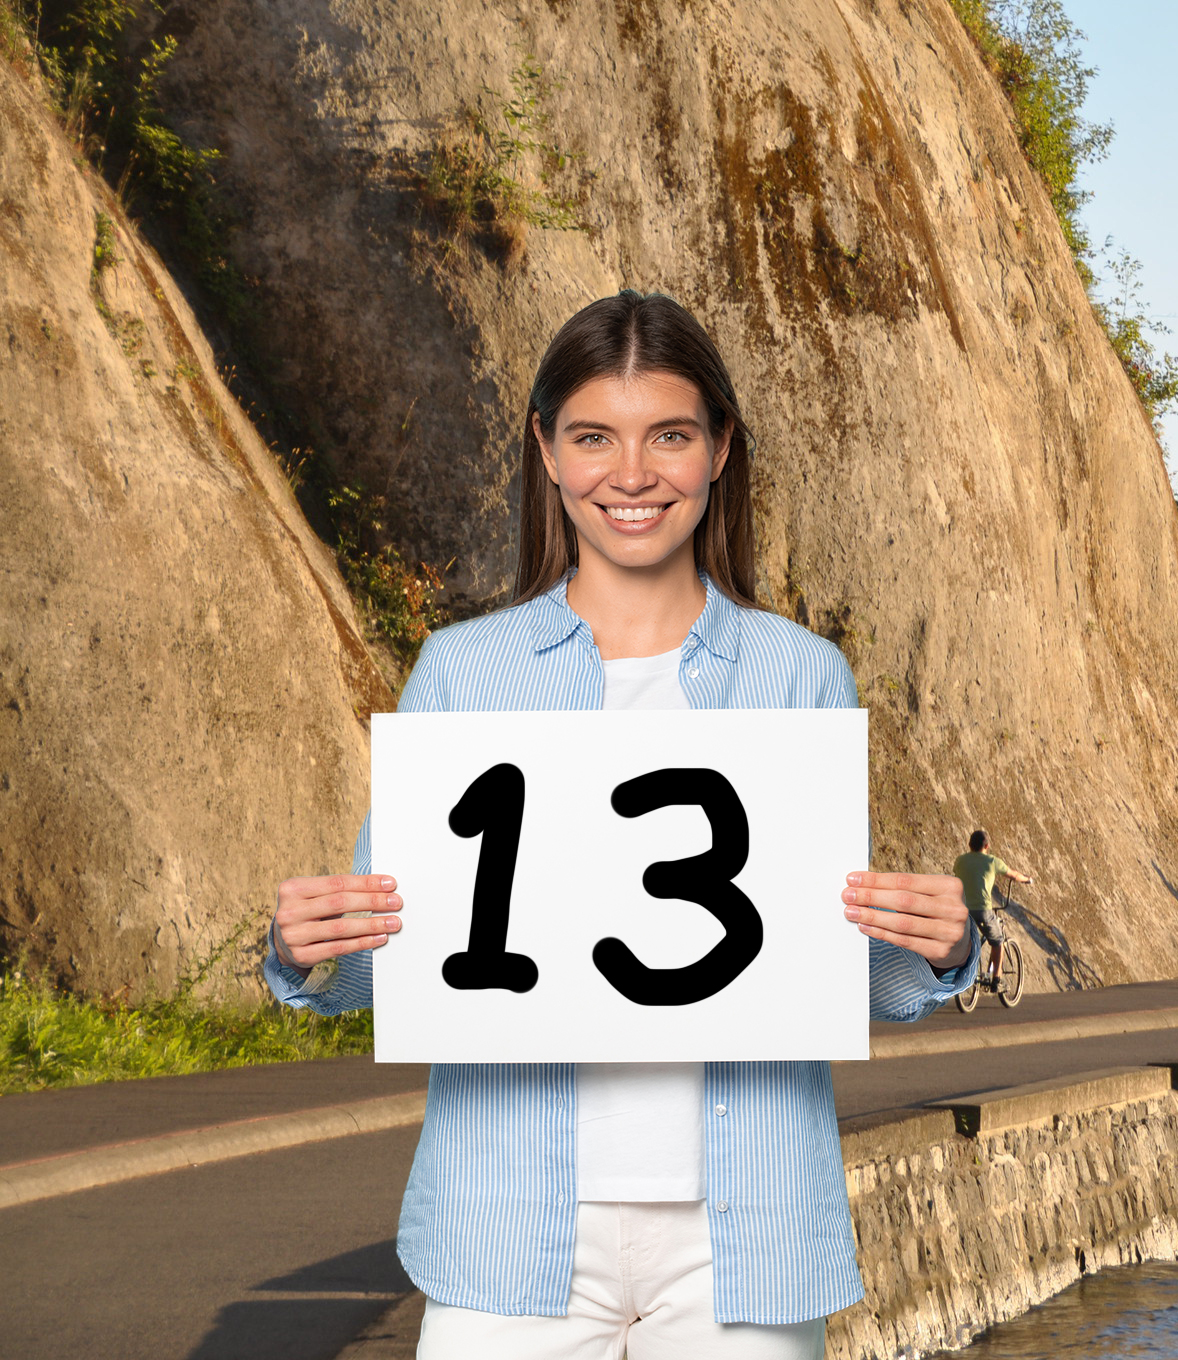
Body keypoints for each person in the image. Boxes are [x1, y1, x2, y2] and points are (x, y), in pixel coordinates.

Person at [265, 291, 975, 1359]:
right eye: (594, 436)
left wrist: (938, 945)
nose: (631, 474)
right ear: (546, 450)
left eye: (670, 436)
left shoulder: (798, 676)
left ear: (719, 450)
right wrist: (305, 949)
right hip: (508, 1221)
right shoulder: (464, 673)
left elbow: (823, 973)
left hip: (744, 1230)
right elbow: (394, 971)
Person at [953, 830, 1030, 986]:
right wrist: (1027, 879)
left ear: (969, 845)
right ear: (987, 846)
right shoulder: (992, 862)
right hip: (982, 910)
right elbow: (1014, 875)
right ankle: (996, 977)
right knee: (997, 941)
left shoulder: (960, 861)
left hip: (961, 911)